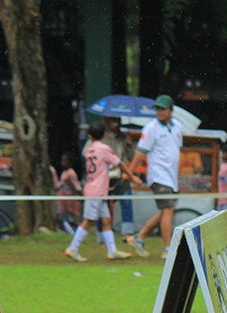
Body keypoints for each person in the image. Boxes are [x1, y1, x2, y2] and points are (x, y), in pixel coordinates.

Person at [63, 121, 141, 262]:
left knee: (106, 220)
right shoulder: (104, 149)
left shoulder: (89, 150)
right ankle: (72, 248)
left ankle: (112, 251)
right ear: (104, 135)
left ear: (90, 136)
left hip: (95, 189)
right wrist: (132, 177)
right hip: (97, 191)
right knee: (88, 221)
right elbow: (120, 163)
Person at [126, 94, 183, 259]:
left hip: (172, 177)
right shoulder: (151, 128)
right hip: (159, 176)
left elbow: (176, 150)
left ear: (171, 110)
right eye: (157, 109)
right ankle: (168, 248)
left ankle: (139, 237)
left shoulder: (178, 126)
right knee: (168, 209)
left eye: (163, 109)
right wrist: (129, 173)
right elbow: (140, 153)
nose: (160, 112)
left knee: (167, 211)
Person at [51, 151, 82, 235]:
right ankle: (69, 233)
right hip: (63, 201)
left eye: (65, 160)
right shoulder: (64, 172)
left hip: (69, 201)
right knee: (62, 218)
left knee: (71, 219)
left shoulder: (71, 173)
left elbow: (76, 186)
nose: (62, 162)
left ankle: (78, 233)